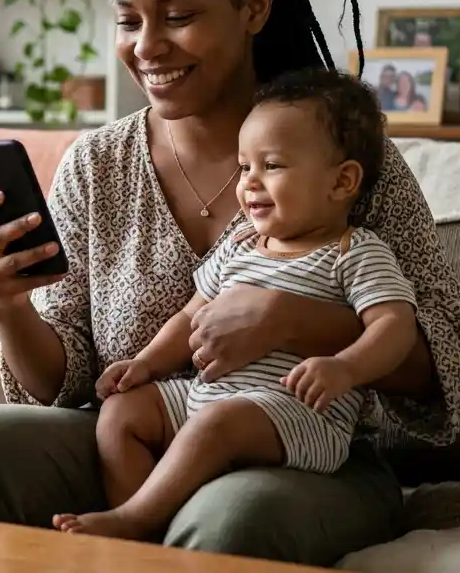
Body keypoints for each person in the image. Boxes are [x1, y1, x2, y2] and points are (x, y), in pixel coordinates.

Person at [0, 0, 460, 567]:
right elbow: (69, 385)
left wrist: (292, 320)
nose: (146, 46)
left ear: (255, 7)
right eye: (127, 19)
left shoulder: (347, 163)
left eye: (178, 16)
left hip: (302, 460)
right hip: (135, 448)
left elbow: (449, 366)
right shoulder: (98, 165)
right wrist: (10, 304)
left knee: (231, 518)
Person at [52, 69, 419, 540]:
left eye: (273, 166)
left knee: (221, 422)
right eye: (245, 167)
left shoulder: (356, 252)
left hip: (300, 416)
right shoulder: (242, 244)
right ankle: (144, 536)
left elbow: (394, 325)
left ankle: (136, 519)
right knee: (121, 412)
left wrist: (346, 368)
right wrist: (144, 363)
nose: (250, 183)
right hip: (207, 401)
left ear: (342, 181)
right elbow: (190, 315)